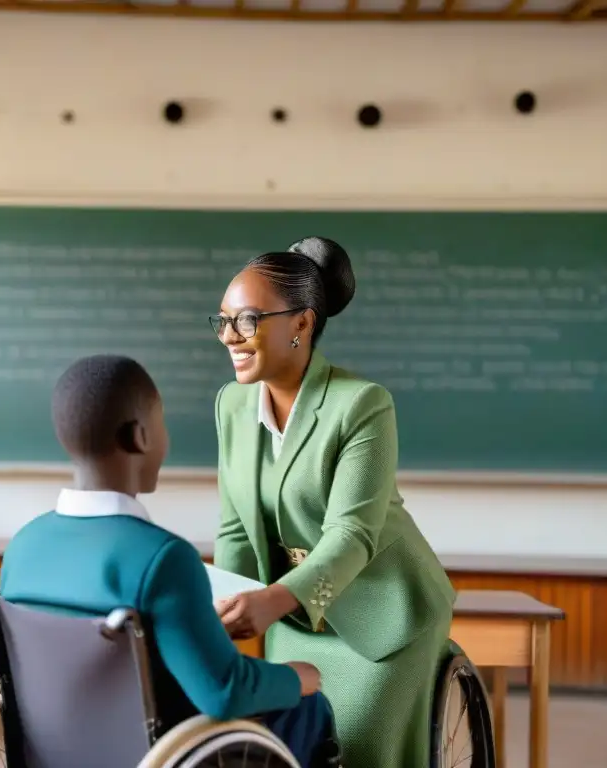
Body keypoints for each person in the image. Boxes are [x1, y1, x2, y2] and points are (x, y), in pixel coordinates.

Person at [0, 354, 339, 766]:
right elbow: (223, 690)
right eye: (162, 422)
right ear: (140, 437)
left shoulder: (23, 546)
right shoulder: (163, 559)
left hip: (58, 745)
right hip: (156, 748)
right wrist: (297, 676)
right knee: (308, 705)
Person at [209, 236, 457, 767]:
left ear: (302, 322)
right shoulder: (231, 405)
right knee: (284, 749)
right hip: (296, 625)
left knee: (363, 750)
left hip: (383, 622)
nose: (230, 336)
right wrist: (222, 615)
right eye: (224, 321)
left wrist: (272, 599)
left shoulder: (361, 404)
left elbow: (352, 536)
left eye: (248, 320)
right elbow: (234, 527)